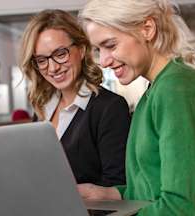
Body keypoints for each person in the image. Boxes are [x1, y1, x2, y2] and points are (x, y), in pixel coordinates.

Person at [78, 0, 195, 215]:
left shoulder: (175, 89)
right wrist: (110, 194)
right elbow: (152, 187)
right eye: (98, 49)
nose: (103, 61)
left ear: (147, 29)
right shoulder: (156, 89)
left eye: (110, 45)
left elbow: (181, 207)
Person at [19, 10, 130, 186]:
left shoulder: (109, 107)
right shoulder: (42, 109)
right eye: (41, 60)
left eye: (60, 54)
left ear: (81, 49)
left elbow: (118, 183)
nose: (53, 67)